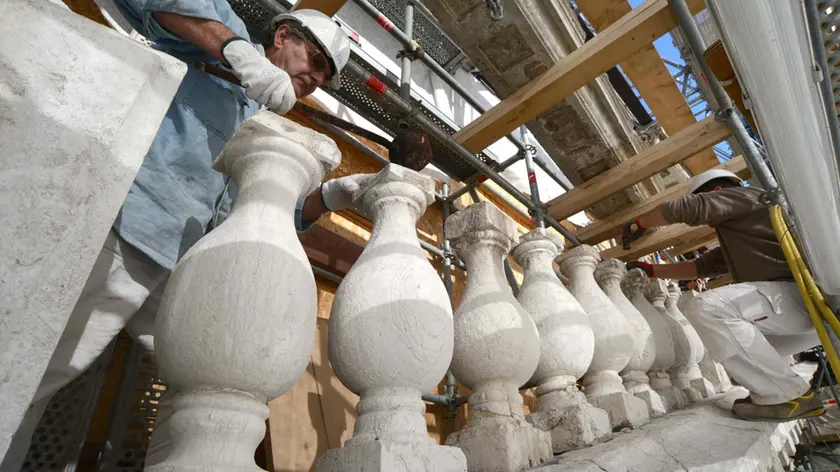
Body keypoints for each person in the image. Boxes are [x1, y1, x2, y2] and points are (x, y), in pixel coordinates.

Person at [1, 2, 369, 470]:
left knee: (203, 387)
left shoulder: (259, 115)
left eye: (325, 74)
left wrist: (334, 196)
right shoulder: (224, 43)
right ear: (282, 38)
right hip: (134, 236)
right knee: (41, 367)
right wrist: (237, 51)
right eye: (315, 61)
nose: (317, 78)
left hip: (185, 274)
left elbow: (276, 210)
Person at [622, 169, 824, 422]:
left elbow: (686, 207)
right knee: (732, 350)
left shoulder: (748, 197)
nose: (709, 223)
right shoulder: (747, 229)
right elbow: (701, 267)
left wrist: (639, 224)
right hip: (803, 317)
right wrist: (652, 270)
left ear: (718, 192)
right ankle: (771, 392)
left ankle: (787, 395)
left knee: (708, 307)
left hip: (799, 299)